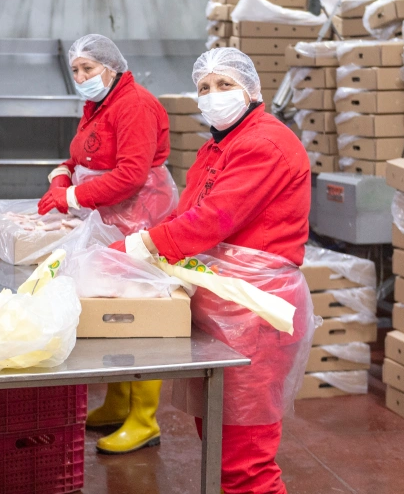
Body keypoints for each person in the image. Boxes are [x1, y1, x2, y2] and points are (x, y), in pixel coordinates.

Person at [111, 47, 314, 494]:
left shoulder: (265, 143)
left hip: (253, 310)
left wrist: (139, 246)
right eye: (204, 87)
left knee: (245, 461)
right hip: (224, 306)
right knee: (219, 438)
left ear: (252, 89)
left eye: (225, 84)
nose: (213, 94)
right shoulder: (217, 146)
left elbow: (214, 219)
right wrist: (140, 244)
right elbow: (187, 211)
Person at [36, 34, 178, 455]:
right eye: (76, 70)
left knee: (140, 306)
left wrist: (72, 197)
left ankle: (145, 419)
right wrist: (63, 173)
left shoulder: (134, 104)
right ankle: (118, 401)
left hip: (142, 214)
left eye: (88, 69)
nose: (81, 77)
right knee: (116, 307)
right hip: (113, 214)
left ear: (111, 68)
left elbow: (131, 174)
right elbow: (85, 155)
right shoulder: (99, 104)